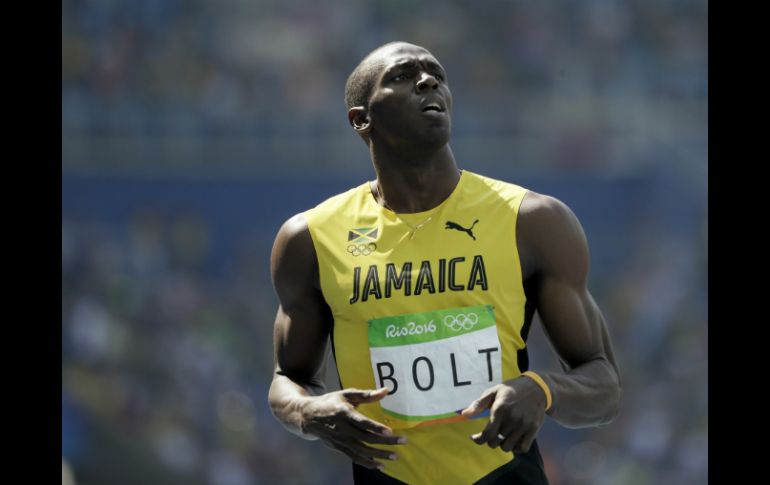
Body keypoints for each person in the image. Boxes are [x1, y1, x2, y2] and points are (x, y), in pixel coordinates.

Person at [268, 41, 622, 485]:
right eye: (401, 77)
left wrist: (542, 389)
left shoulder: (532, 221)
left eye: (436, 74)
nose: (427, 81)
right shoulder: (310, 238)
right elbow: (287, 380)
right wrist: (308, 410)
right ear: (361, 119)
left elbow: (604, 387)